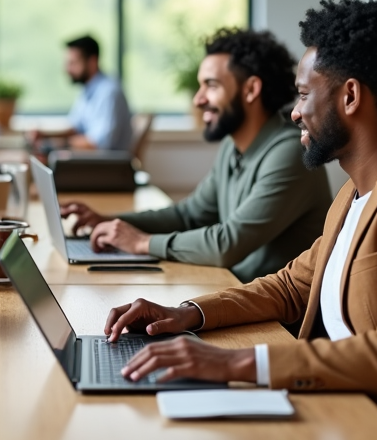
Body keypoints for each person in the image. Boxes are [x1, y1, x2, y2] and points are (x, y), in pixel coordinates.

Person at [103, 0, 377, 440]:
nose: (295, 113)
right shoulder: (356, 193)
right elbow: (290, 286)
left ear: (351, 96)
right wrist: (187, 314)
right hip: (346, 416)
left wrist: (236, 365)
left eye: (303, 95)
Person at [62, 28, 331, 283]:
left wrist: (142, 242)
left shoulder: (290, 152)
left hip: (279, 323)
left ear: (251, 90)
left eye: (211, 86)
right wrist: (110, 221)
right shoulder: (234, 146)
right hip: (236, 291)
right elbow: (189, 216)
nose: (198, 99)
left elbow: (228, 244)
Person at [28, 35, 132, 152]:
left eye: (73, 63)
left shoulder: (109, 92)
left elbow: (98, 143)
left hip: (107, 166)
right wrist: (46, 136)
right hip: (91, 161)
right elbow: (76, 128)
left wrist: (57, 144)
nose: (67, 69)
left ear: (92, 61)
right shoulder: (87, 90)